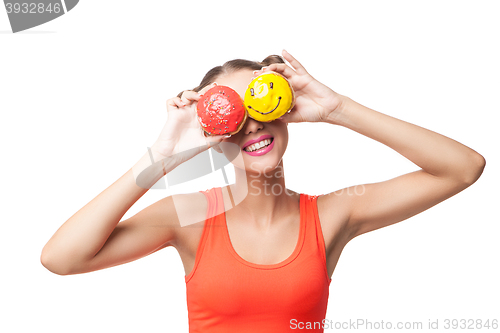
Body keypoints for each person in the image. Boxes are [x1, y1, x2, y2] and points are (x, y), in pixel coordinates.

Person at [40, 50, 486, 332]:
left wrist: (338, 109)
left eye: (260, 103)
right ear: (215, 129)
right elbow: (61, 258)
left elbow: (462, 169)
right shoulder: (188, 216)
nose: (252, 123)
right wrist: (161, 155)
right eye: (233, 113)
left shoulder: (331, 215)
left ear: (284, 108)